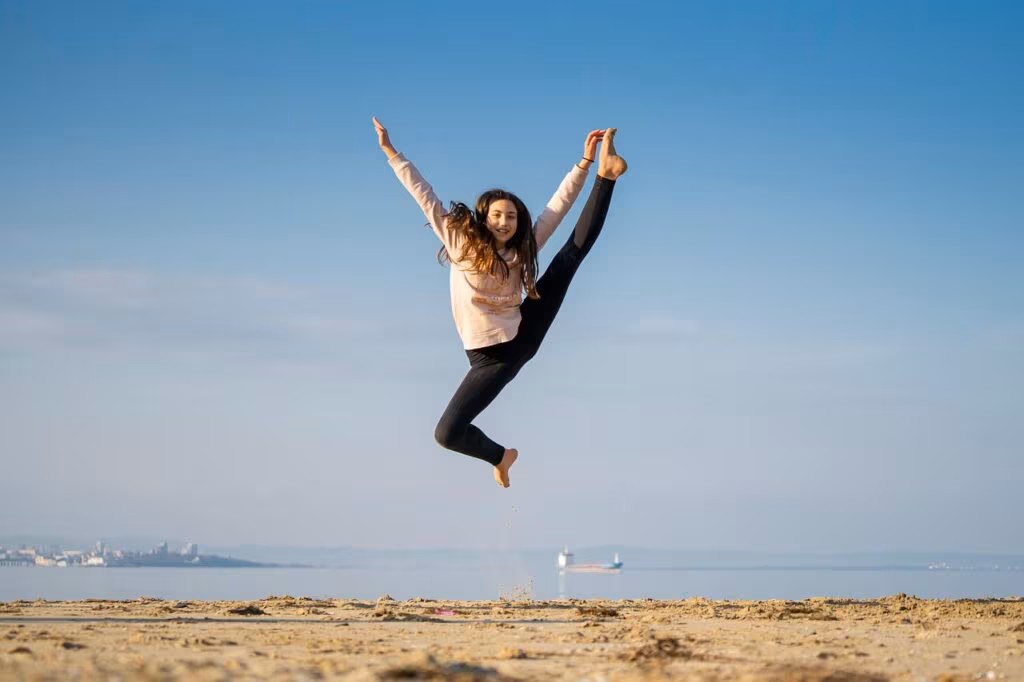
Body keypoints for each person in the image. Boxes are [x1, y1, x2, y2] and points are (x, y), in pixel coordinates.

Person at [373, 117, 627, 488]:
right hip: (486, 355)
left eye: (511, 216)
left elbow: (555, 210)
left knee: (569, 257)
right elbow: (423, 195)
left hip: (513, 343)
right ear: (484, 217)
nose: (505, 221)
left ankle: (607, 176)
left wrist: (584, 165)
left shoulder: (523, 249)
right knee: (448, 434)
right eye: (497, 215)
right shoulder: (459, 244)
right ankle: (501, 456)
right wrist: (392, 153)